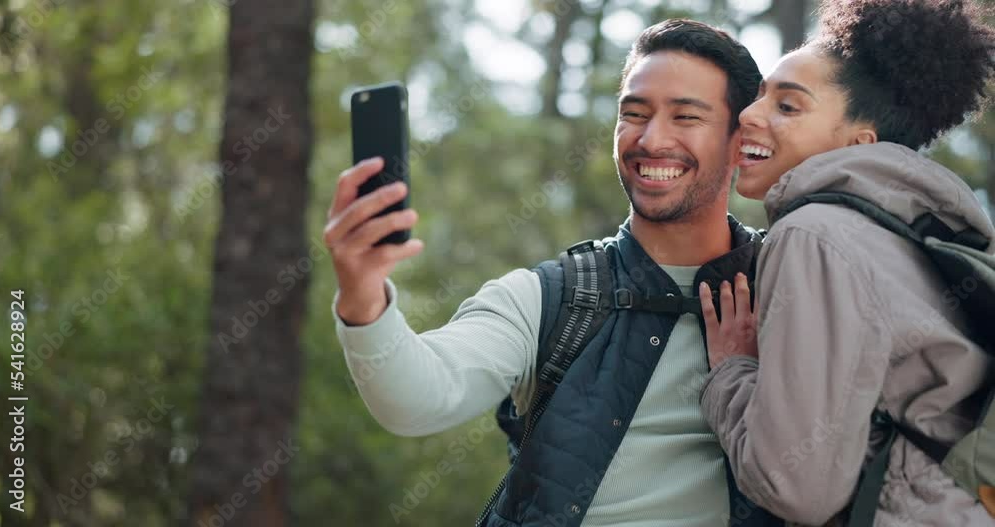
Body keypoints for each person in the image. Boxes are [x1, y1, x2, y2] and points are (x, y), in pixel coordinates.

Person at [325, 19, 781, 527]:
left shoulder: (790, 285)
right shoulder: (553, 296)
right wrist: (362, 292)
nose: (652, 139)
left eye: (686, 116)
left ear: (740, 140)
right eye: (634, 113)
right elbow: (415, 400)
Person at [697, 0, 995, 525]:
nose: (748, 114)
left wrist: (729, 372)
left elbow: (796, 487)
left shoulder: (815, 233)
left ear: (859, 142)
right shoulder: (915, 232)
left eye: (788, 107)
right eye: (761, 96)